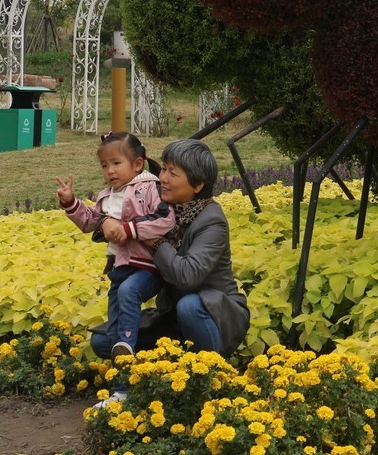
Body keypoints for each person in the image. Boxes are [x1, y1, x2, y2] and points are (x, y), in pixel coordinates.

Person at [54, 132, 174, 382]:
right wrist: (71, 203)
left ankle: (127, 346)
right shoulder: (107, 195)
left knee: (129, 293)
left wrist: (129, 229)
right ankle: (123, 386)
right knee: (115, 324)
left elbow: (165, 219)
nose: (110, 171)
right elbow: (90, 222)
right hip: (120, 268)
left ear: (137, 164)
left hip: (147, 266)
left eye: (116, 163)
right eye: (104, 165)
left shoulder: (149, 188)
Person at [136, 139, 250, 358]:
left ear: (197, 185)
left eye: (173, 173)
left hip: (214, 314)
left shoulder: (211, 221)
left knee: (189, 306)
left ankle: (210, 369)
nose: (163, 178)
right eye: (164, 169)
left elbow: (188, 275)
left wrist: (156, 241)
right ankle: (171, 365)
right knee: (106, 339)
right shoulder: (164, 211)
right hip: (172, 315)